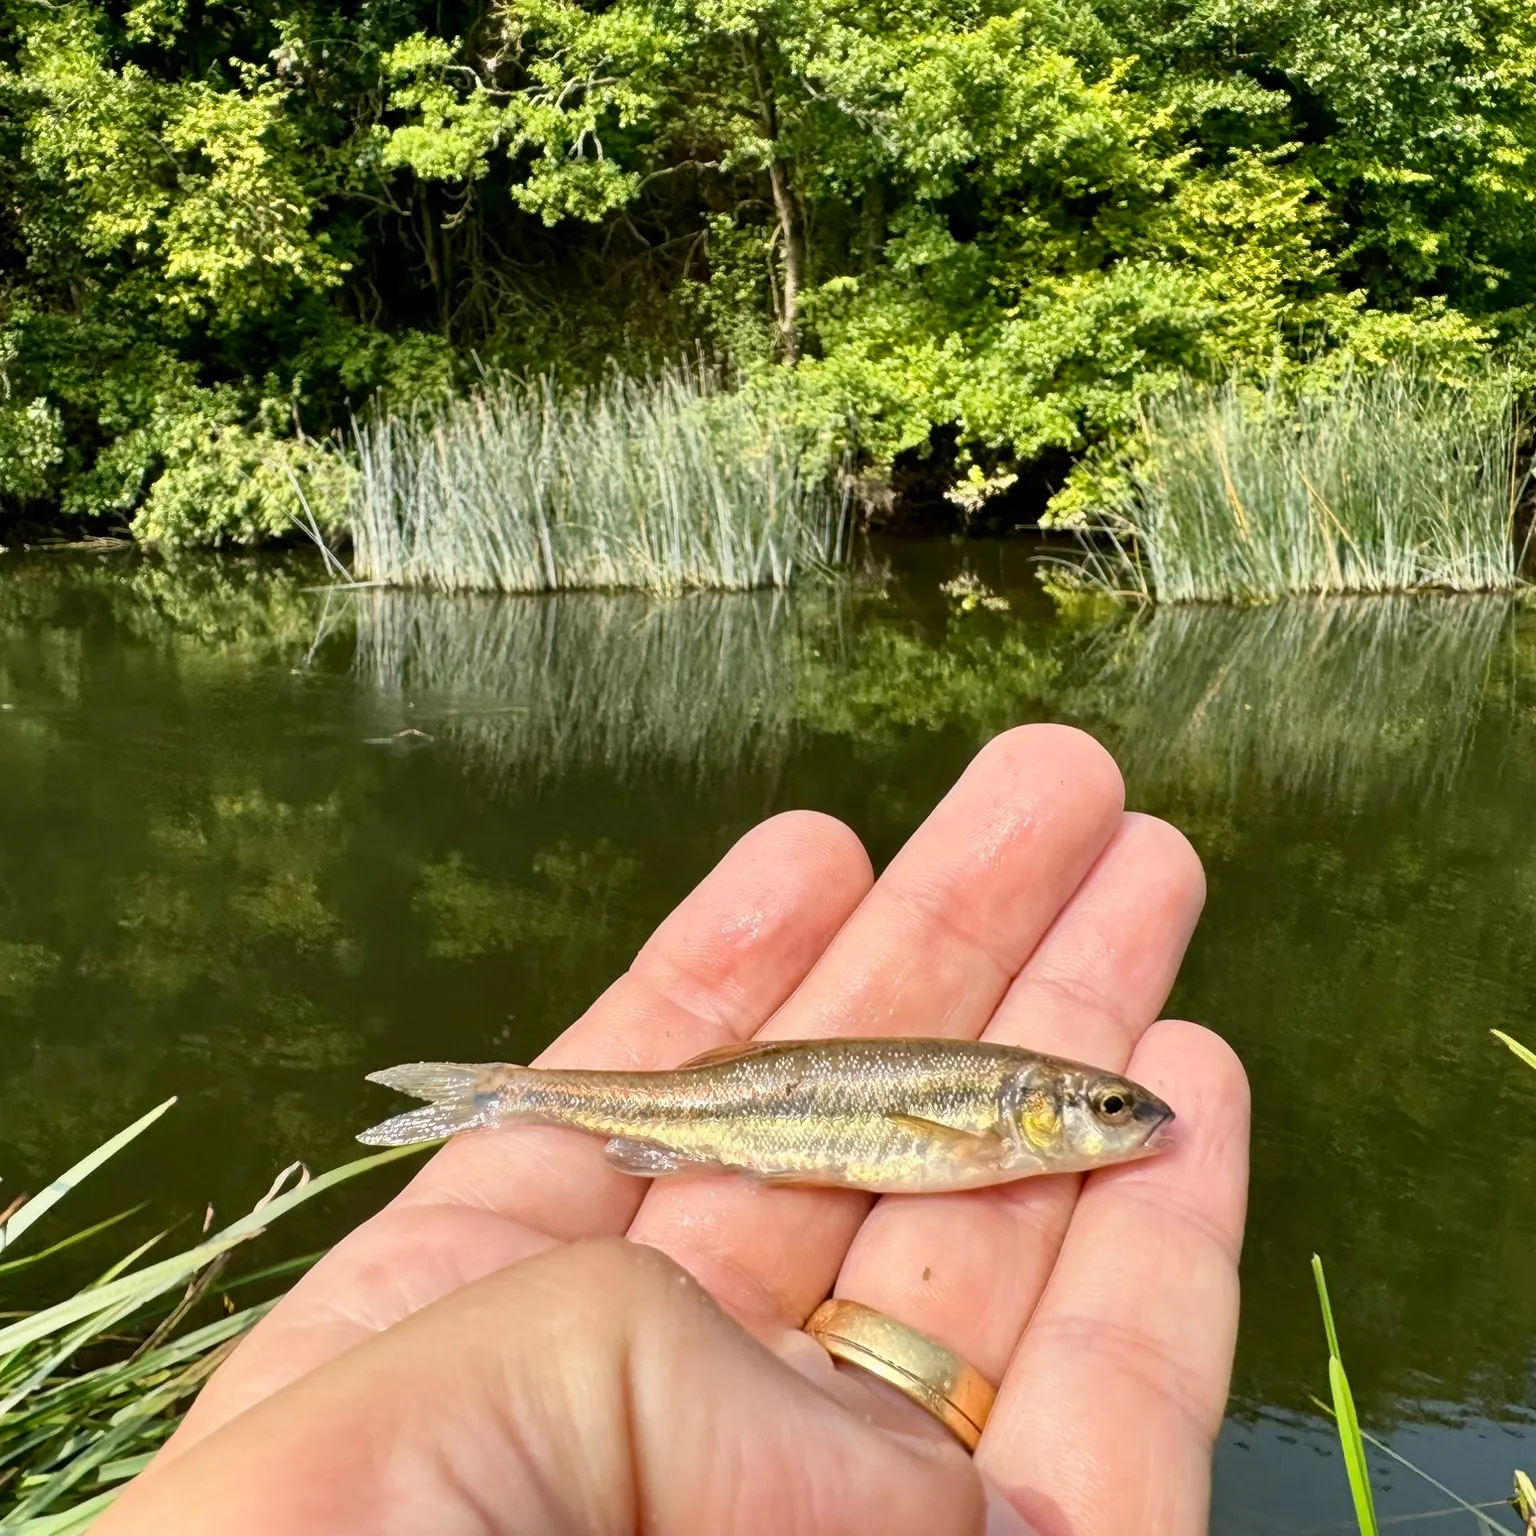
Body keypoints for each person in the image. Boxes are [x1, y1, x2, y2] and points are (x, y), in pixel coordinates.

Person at [95, 725, 1249, 1535]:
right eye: (1109, 1110)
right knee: (562, 1093)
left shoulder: (1005, 1119)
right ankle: (501, 1091)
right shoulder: (998, 1118)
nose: (1130, 1122)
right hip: (717, 1116)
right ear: (1036, 1109)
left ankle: (502, 1092)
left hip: (726, 1120)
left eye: (1116, 1111)